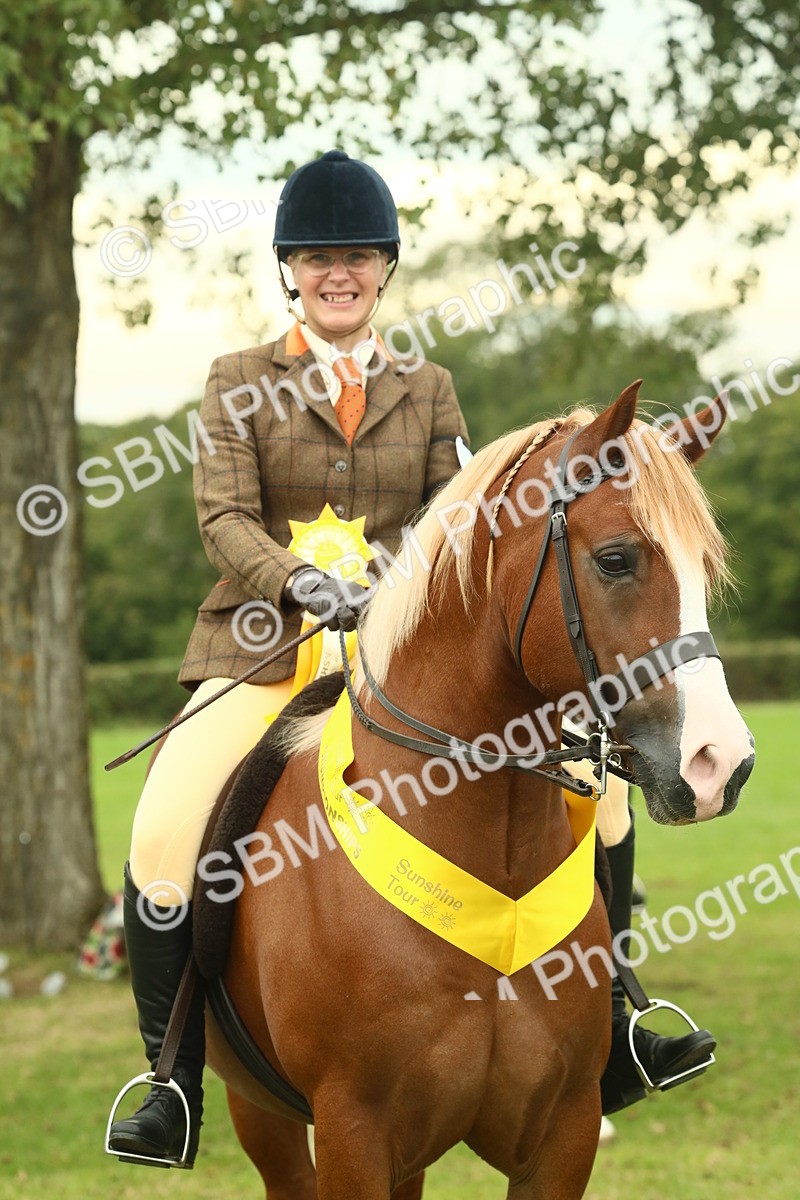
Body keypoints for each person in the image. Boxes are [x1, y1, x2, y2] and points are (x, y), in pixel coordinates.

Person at [107, 149, 713, 1171]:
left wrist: (389, 598)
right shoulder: (236, 383)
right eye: (314, 257)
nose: (335, 272)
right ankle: (169, 1079)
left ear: (382, 269)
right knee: (168, 821)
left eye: (354, 256)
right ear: (288, 270)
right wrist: (302, 584)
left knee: (595, 797)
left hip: (403, 656)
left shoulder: (425, 386)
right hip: (266, 648)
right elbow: (221, 521)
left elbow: (463, 523)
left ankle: (616, 1022)